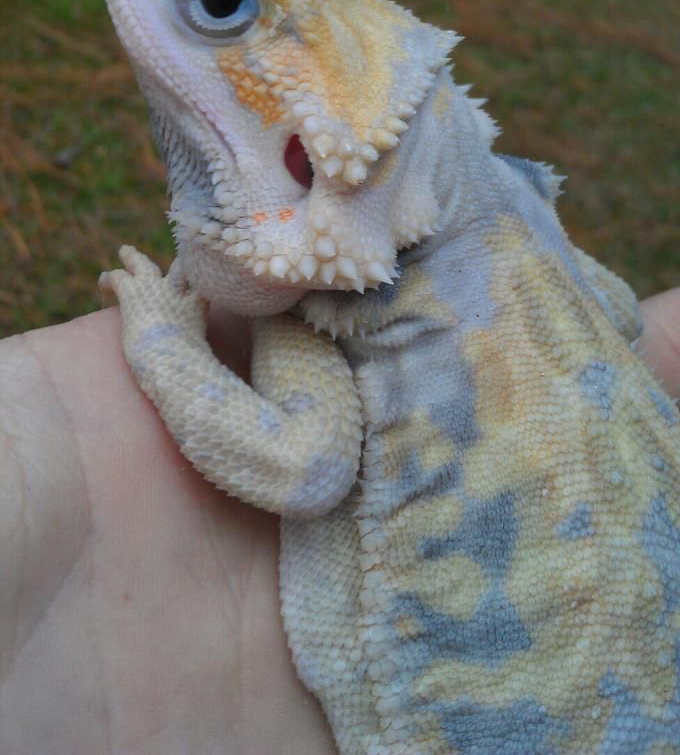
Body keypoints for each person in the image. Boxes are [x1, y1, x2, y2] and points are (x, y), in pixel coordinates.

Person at [0, 290, 678, 754]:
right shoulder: (516, 250)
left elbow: (303, 464)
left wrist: (162, 338)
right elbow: (619, 312)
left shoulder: (324, 302)